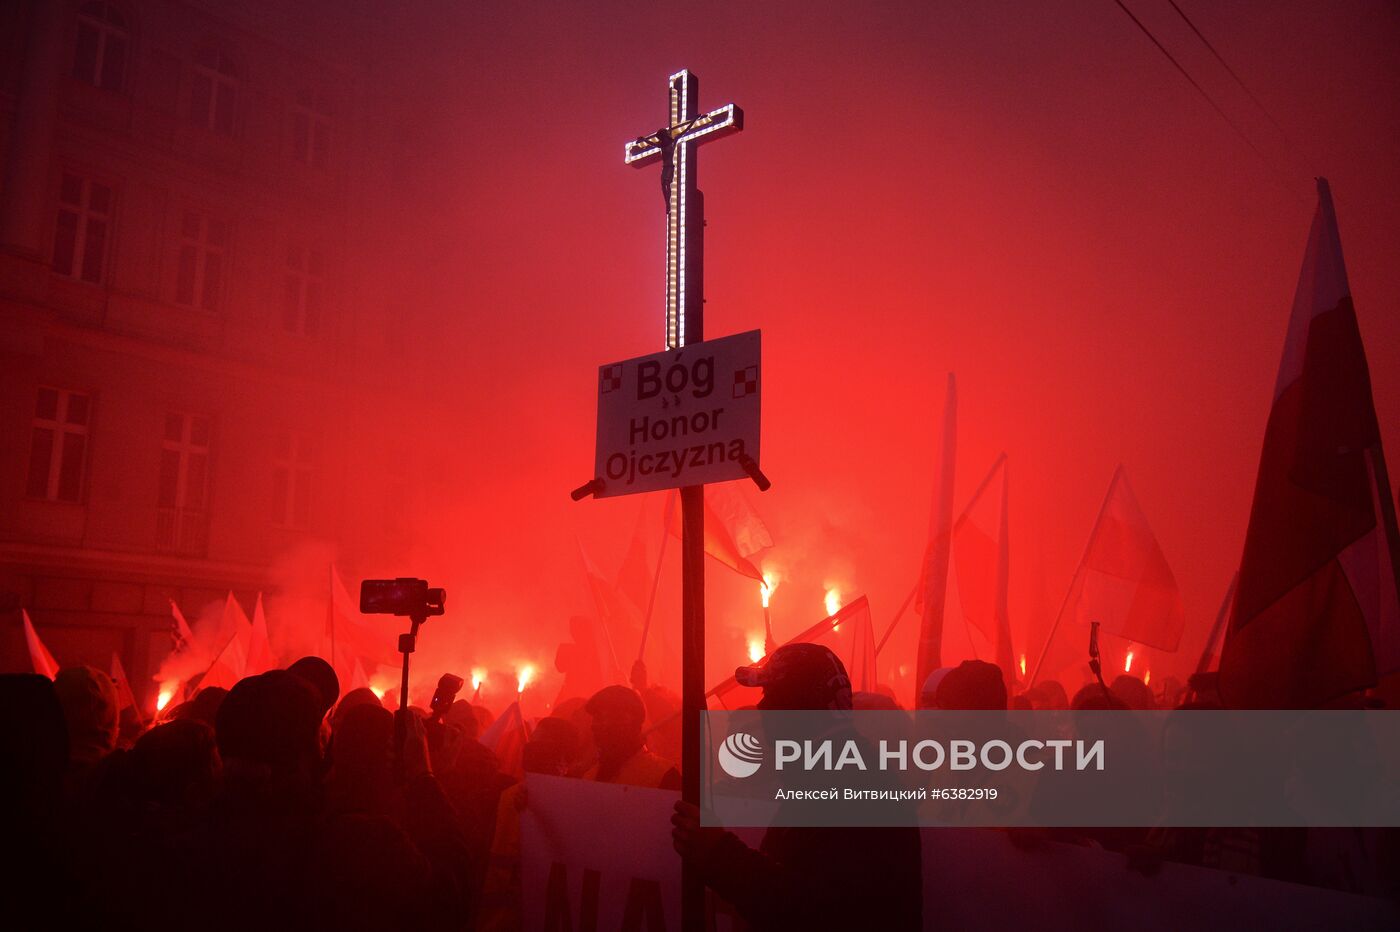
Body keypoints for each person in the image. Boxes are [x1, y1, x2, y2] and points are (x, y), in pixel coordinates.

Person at [671, 643, 923, 930]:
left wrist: (719, 852)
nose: (762, 708)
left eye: (772, 696)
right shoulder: (839, 774)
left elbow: (810, 909)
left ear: (802, 708)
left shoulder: (852, 787)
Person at [583, 684, 680, 789]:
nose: (605, 724)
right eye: (599, 718)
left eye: (616, 717)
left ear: (636, 725)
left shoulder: (664, 775)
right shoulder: (589, 777)